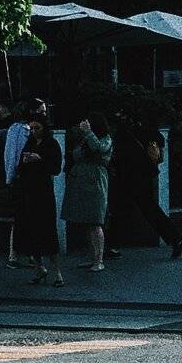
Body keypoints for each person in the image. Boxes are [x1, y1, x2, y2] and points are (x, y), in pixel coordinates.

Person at [109, 111, 182, 260]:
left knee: (121, 210)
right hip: (144, 175)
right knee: (149, 209)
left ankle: (113, 245)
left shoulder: (124, 131)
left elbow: (119, 154)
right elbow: (159, 140)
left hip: (128, 176)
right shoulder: (146, 128)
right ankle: (176, 238)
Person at [13, 117, 64, 287]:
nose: (34, 131)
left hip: (43, 191)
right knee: (31, 231)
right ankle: (39, 267)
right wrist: (25, 162)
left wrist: (40, 160)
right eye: (32, 128)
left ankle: (57, 272)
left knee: (47, 230)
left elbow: (56, 168)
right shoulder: (29, 143)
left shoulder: (51, 144)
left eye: (37, 128)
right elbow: (21, 167)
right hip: (28, 191)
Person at [62, 113, 114, 271]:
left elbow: (98, 149)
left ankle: (99, 260)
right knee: (86, 220)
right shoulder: (84, 138)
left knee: (95, 220)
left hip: (95, 180)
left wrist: (88, 132)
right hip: (81, 180)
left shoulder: (105, 139)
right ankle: (92, 257)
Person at [2, 102, 36, 268]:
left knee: (25, 216)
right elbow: (11, 155)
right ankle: (17, 254)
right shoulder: (18, 130)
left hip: (24, 177)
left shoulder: (17, 130)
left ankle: (21, 254)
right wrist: (10, 177)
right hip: (22, 177)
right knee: (22, 216)